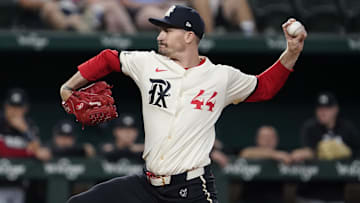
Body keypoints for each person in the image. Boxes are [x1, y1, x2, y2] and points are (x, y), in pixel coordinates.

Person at [60, 4, 307, 203]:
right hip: (147, 186)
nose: (160, 36)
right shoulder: (148, 63)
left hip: (191, 189)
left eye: (167, 31)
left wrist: (292, 53)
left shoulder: (221, 76)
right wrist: (69, 87)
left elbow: (264, 87)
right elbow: (108, 59)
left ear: (189, 36)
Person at [291, 92, 360, 203]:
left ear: (335, 109)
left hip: (335, 194)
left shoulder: (347, 127)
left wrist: (347, 152)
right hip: (309, 192)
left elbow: (356, 151)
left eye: (327, 108)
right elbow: (307, 152)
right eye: (320, 108)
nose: (323, 112)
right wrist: (318, 152)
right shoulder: (310, 127)